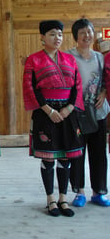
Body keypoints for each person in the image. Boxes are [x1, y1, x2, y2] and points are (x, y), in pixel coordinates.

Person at [23, 20, 84, 217]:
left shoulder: (70, 60)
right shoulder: (33, 60)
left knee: (65, 157)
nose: (56, 38)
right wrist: (48, 110)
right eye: (51, 34)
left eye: (59, 34)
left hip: (67, 112)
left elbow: (77, 86)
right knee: (48, 158)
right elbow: (30, 87)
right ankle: (50, 199)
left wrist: (69, 108)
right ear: (42, 37)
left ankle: (63, 198)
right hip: (45, 113)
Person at [68, 18, 110, 207]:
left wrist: (103, 92)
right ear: (76, 36)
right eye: (83, 32)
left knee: (99, 152)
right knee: (77, 153)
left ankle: (99, 192)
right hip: (76, 113)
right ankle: (79, 192)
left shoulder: (100, 57)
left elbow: (104, 81)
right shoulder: (68, 57)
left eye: (90, 31)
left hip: (98, 112)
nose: (87, 35)